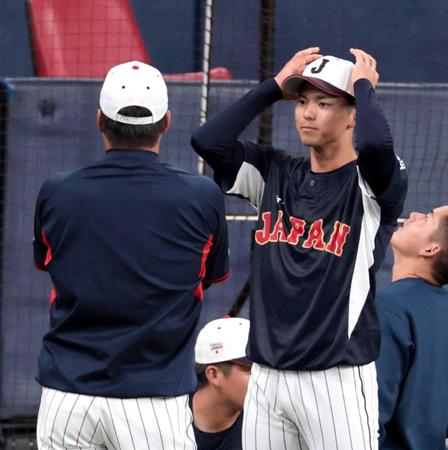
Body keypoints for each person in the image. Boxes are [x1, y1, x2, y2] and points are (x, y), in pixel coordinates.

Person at [191, 47, 408, 449]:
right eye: (303, 101)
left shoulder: (370, 185)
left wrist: (364, 86)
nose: (307, 112)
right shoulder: (274, 172)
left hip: (335, 377)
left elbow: (376, 146)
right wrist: (274, 88)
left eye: (324, 103)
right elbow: (208, 140)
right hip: (267, 376)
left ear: (353, 115)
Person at [33, 61, 230, 450]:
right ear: (167, 122)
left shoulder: (57, 191)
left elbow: (46, 262)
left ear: (100, 121)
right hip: (154, 400)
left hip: (68, 397)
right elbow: (208, 277)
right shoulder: (202, 195)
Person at [376, 206, 448, 450]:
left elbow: (370, 415)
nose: (414, 215)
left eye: (427, 218)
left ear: (430, 249)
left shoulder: (390, 306)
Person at [191, 317, 251, 450]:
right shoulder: (166, 420)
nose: (261, 379)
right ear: (213, 374)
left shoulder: (268, 423)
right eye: (250, 370)